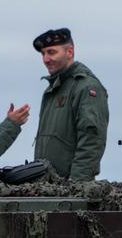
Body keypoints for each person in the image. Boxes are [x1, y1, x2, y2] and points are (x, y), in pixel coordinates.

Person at [32, 28, 109, 181]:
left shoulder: (86, 87)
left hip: (68, 191)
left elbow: (91, 141)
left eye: (52, 52)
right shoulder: (53, 89)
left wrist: (76, 186)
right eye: (43, 54)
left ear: (69, 52)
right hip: (48, 187)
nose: (46, 59)